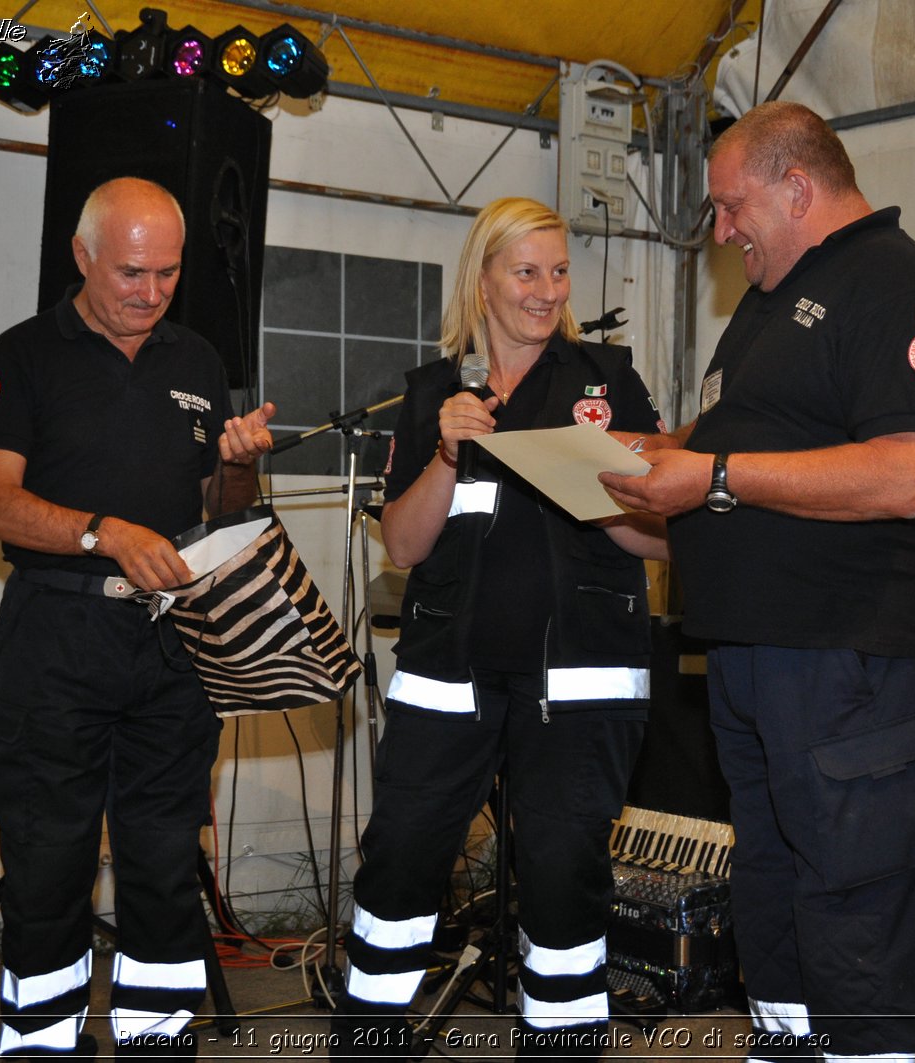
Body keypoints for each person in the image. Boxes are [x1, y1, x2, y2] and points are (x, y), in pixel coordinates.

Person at [601, 102, 915, 1062]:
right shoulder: (768, 302)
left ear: (797, 187)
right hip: (755, 654)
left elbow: (906, 474)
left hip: (853, 654)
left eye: (731, 208)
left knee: (854, 894)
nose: (722, 233)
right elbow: (727, 450)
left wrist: (713, 476)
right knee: (772, 885)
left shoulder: (899, 285)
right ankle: (787, 1043)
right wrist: (633, 459)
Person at [334, 197, 667, 1058]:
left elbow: (658, 539)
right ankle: (367, 1037)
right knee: (400, 859)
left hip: (580, 687)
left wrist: (598, 490)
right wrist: (446, 454)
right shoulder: (433, 393)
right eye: (527, 271)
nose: (547, 290)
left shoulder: (607, 381)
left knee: (563, 882)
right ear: (482, 279)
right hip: (449, 677)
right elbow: (403, 543)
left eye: (559, 271)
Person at [0, 176, 275, 1059]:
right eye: (131, 273)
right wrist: (104, 534)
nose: (149, 293)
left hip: (173, 645)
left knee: (165, 864)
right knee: (48, 864)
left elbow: (222, 506)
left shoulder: (197, 361)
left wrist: (241, 463)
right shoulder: (23, 355)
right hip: (57, 638)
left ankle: (158, 1041)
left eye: (168, 275)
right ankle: (40, 1046)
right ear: (82, 257)